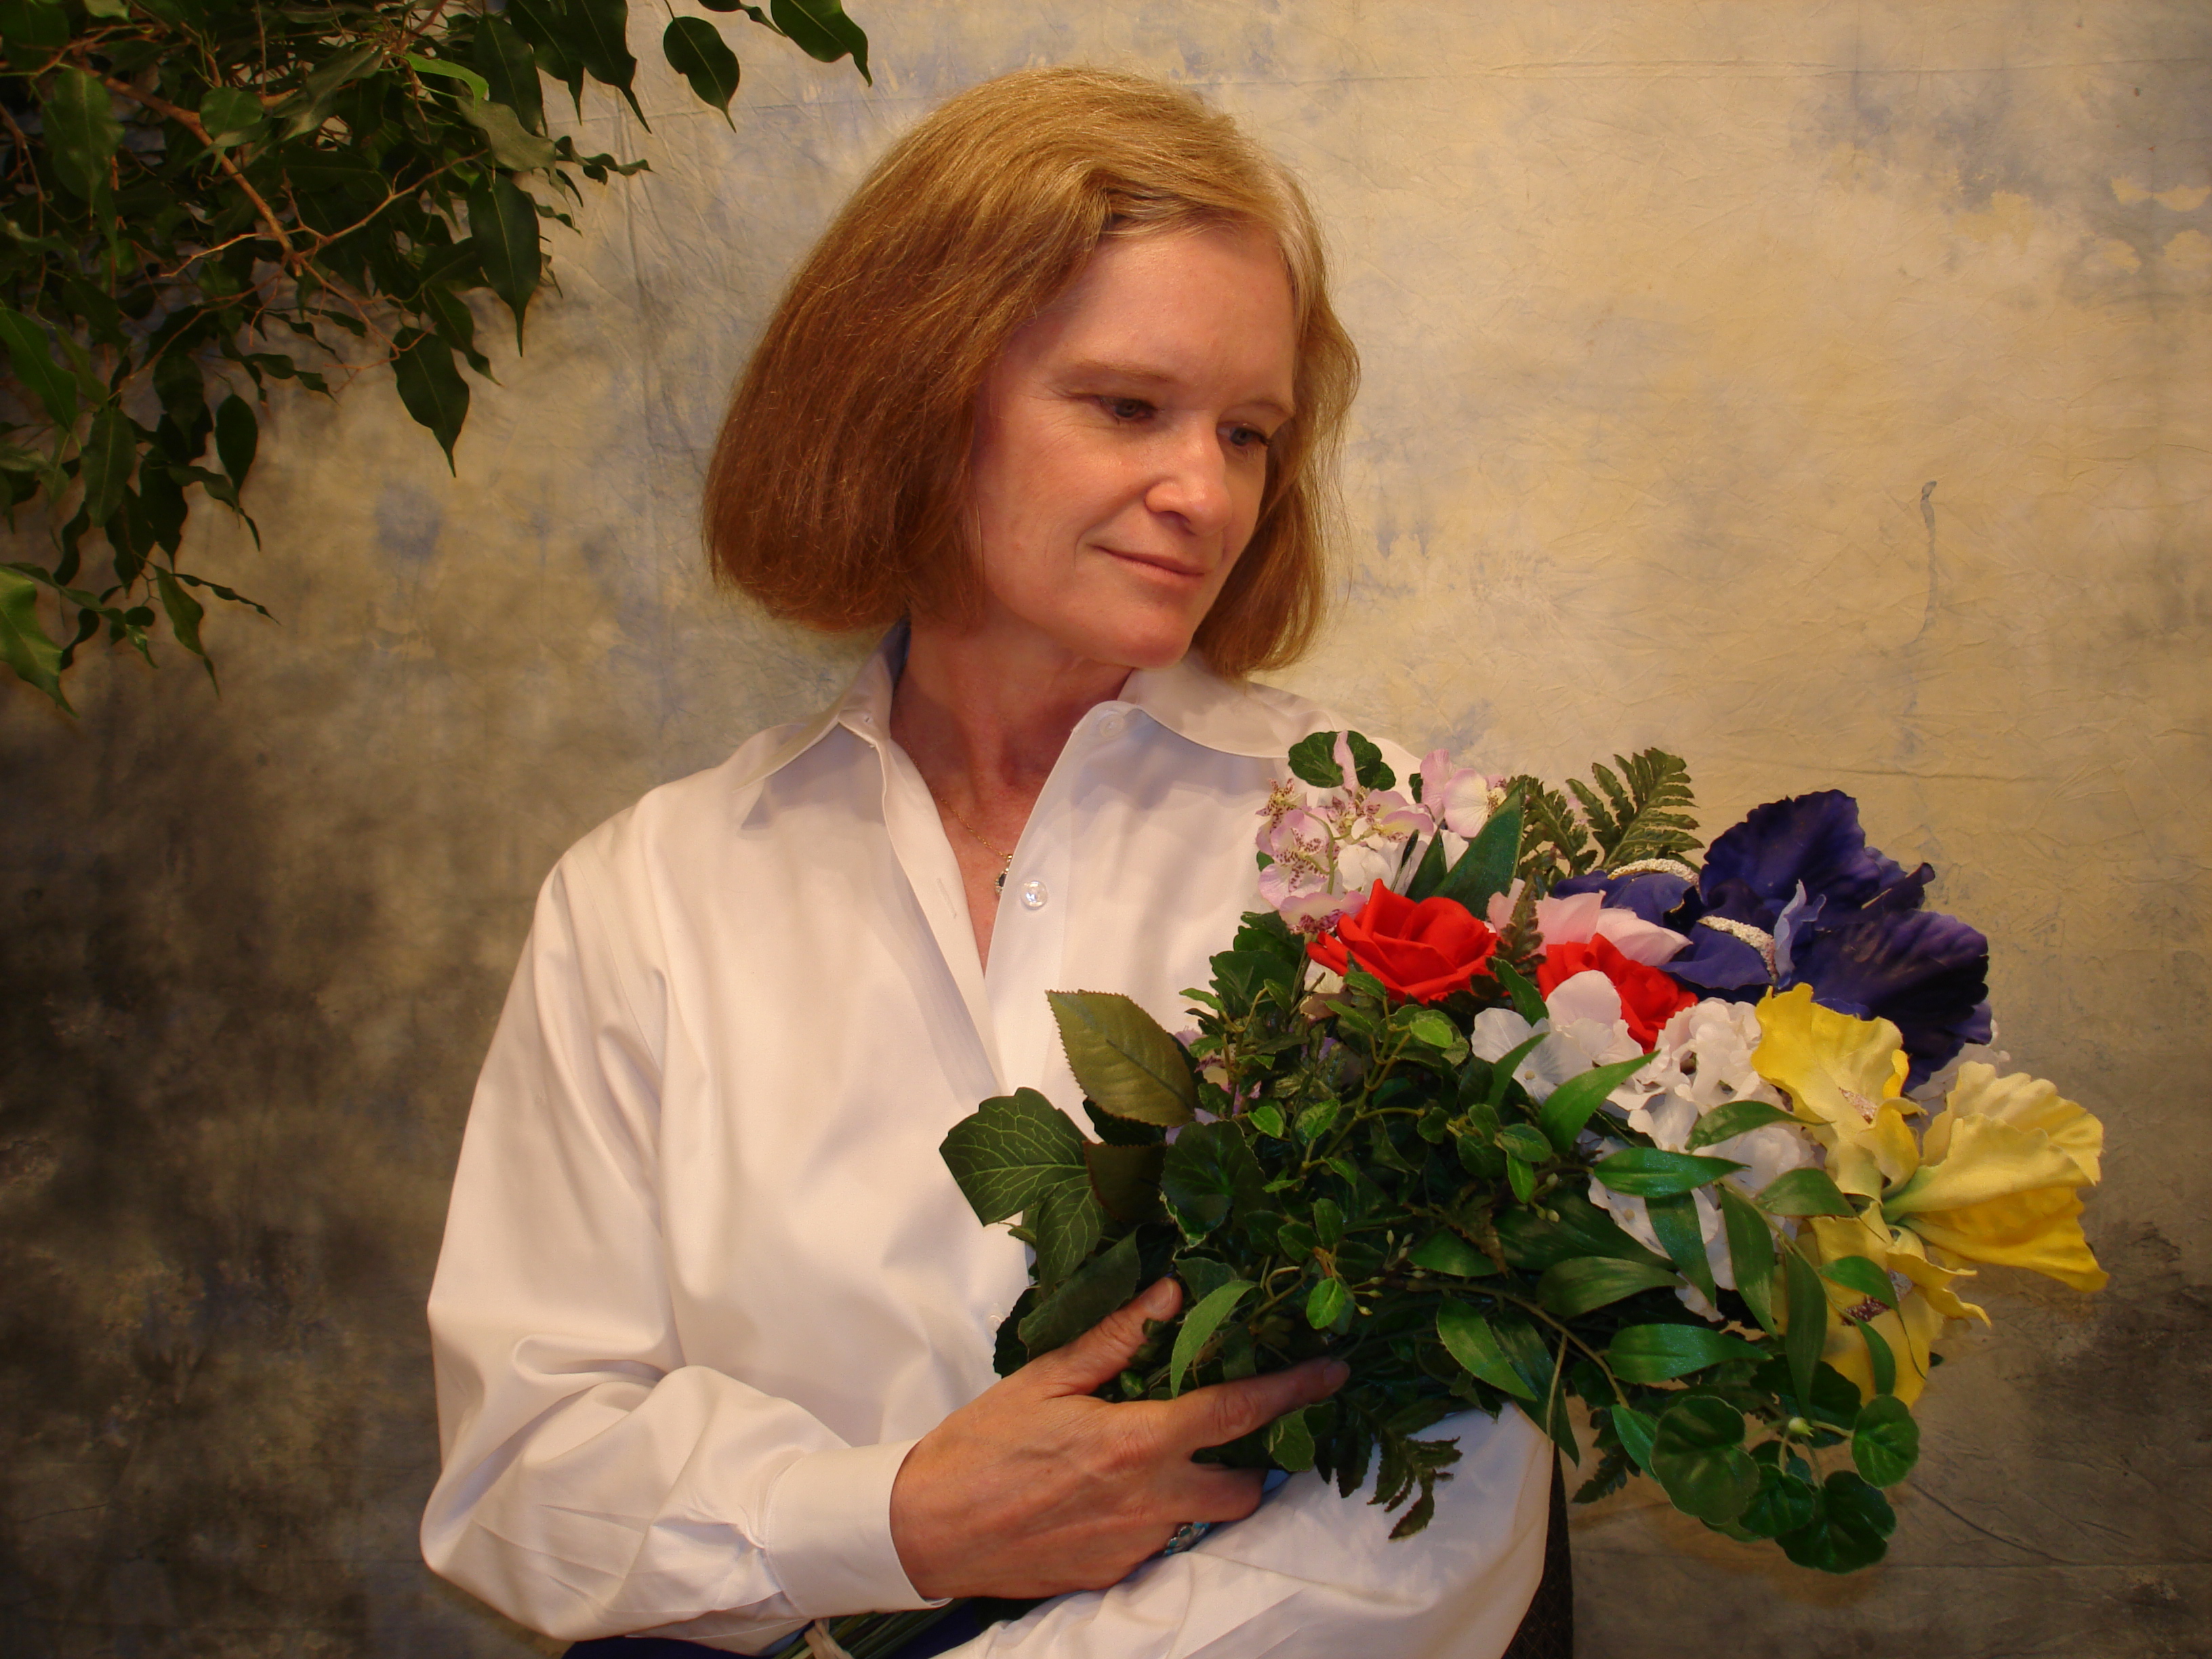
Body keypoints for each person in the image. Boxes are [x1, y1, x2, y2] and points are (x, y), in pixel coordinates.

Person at [420, 66, 1551, 1658]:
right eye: (1127, 408)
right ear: (915, 393)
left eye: (1248, 433)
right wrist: (894, 1521)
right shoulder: (651, 897)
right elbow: (524, 1477)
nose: (1206, 493)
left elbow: (1449, 1498)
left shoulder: (1395, 862)